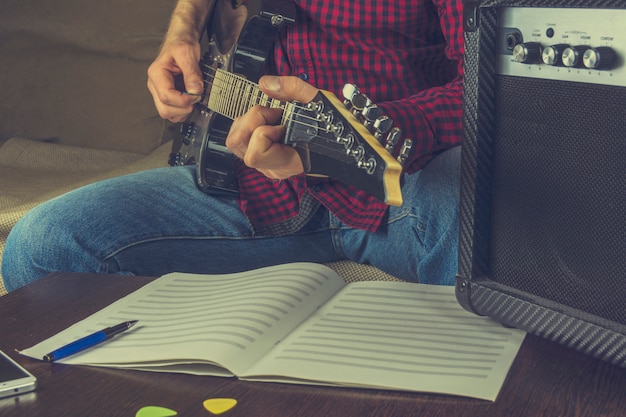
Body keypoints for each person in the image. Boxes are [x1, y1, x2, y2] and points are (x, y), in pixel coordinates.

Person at [2, 0, 464, 291]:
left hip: (405, 187)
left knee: (490, 228)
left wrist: (362, 130)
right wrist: (185, 28)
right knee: (43, 247)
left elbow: (500, 91)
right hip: (254, 183)